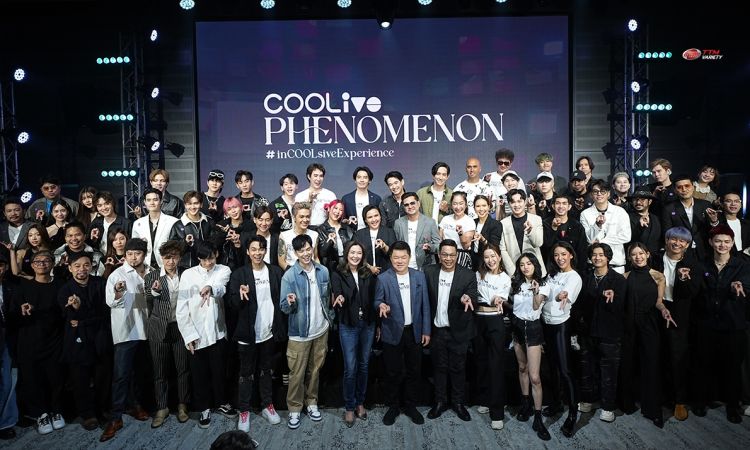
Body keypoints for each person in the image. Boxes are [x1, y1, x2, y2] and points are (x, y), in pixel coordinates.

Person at [227, 236, 285, 430]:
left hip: (269, 332)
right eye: (253, 249)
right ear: (247, 252)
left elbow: (279, 300)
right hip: (247, 334)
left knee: (266, 371)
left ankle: (267, 405)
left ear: (265, 250)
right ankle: (244, 411)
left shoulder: (275, 272)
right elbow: (233, 304)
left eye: (261, 249)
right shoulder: (239, 274)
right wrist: (240, 295)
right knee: (246, 374)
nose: (257, 253)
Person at [177, 241, 236, 429]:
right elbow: (181, 308)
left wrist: (210, 287)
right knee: (199, 374)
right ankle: (204, 408)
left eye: (211, 258)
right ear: (198, 258)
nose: (208, 263)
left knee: (220, 371)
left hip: (217, 332)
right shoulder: (187, 275)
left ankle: (222, 402)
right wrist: (188, 335)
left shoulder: (224, 269)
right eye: (204, 260)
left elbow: (221, 287)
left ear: (216, 254)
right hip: (196, 333)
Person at [692, 225, 748, 423]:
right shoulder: (702, 265)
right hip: (706, 324)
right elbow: (695, 292)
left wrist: (738, 286)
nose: (722, 245)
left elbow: (746, 286)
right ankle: (701, 401)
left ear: (732, 243)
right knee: (703, 365)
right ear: (710, 242)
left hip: (733, 326)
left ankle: (733, 406)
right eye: (718, 241)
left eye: (726, 241)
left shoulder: (742, 265)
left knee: (733, 368)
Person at [373, 241, 431, 426]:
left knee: (414, 371)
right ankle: (393, 407)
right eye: (396, 257)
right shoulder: (383, 278)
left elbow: (425, 306)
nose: (399, 261)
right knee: (392, 372)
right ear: (390, 258)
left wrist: (426, 330)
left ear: (409, 257)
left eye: (403, 257)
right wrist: (381, 305)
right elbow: (377, 301)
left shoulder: (419, 276)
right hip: (391, 331)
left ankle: (411, 406)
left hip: (414, 331)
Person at [279, 234, 333, 430]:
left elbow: (327, 299)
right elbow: (283, 307)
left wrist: (330, 318)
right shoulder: (289, 276)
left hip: (321, 330)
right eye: (301, 250)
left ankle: (311, 403)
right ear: (295, 253)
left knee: (315, 371)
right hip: (299, 334)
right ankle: (294, 408)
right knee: (297, 374)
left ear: (312, 248)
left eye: (308, 249)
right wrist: (290, 302)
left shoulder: (323, 271)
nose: (305, 253)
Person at [100, 238, 151, 442]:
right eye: (129, 254)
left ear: (144, 254)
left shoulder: (152, 271)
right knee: (121, 376)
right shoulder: (117, 275)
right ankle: (115, 417)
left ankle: (135, 405)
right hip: (126, 332)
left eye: (137, 253)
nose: (133, 257)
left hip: (147, 330)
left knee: (140, 373)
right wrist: (119, 293)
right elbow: (110, 302)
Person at [8, 250, 65, 435]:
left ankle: (56, 410)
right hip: (29, 341)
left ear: (53, 263)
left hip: (54, 340)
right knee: (33, 379)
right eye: (37, 261)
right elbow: (12, 315)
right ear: (31, 265)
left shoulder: (60, 285)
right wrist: (21, 310)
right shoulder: (23, 287)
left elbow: (63, 312)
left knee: (56, 377)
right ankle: (41, 414)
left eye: (46, 260)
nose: (42, 264)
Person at [652, 226, 702, 421]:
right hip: (655, 310)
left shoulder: (693, 263)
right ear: (666, 240)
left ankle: (680, 400)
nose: (677, 243)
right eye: (673, 239)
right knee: (657, 355)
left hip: (679, 314)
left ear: (687, 245)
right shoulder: (655, 258)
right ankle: (659, 397)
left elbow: (693, 293)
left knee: (678, 357)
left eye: (682, 241)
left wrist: (684, 279)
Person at [425, 239, 478, 422]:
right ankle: (440, 402)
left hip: (458, 331)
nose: (448, 258)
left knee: (458, 368)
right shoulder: (429, 272)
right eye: (445, 255)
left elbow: (473, 295)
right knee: (439, 368)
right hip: (437, 330)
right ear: (439, 255)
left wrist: (467, 298)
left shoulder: (467, 275)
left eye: (452, 255)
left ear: (457, 256)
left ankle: (458, 403)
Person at [620, 243, 672, 428]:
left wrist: (664, 309)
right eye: (634, 254)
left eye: (641, 253)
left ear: (648, 254)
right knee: (628, 364)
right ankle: (627, 403)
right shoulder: (625, 277)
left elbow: (659, 301)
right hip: (629, 325)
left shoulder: (658, 276)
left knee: (651, 364)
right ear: (629, 258)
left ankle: (652, 410)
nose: (638, 257)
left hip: (649, 324)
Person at [57, 251, 110, 431]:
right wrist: (78, 311)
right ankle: (87, 414)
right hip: (77, 340)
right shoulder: (65, 289)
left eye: (86, 265)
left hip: (100, 336)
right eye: (77, 266)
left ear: (92, 266)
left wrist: (82, 316)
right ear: (70, 268)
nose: (82, 269)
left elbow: (105, 311)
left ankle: (102, 410)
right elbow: (69, 317)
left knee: (102, 376)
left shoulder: (100, 283)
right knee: (80, 379)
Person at [576, 243, 627, 423]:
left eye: (601, 254)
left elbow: (622, 307)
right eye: (594, 255)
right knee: (587, 368)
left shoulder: (618, 280)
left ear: (608, 257)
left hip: (609, 333)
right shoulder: (586, 278)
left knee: (609, 372)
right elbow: (580, 305)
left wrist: (613, 297)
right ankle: (587, 400)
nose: (597, 258)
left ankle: (608, 407)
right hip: (588, 331)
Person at [144, 240, 190, 428]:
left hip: (180, 327)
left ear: (180, 258)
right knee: (159, 372)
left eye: (174, 257)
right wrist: (154, 291)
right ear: (161, 258)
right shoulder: (152, 276)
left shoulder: (186, 274)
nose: (171, 261)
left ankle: (182, 406)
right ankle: (161, 408)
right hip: (159, 328)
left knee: (182, 369)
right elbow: (147, 297)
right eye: (167, 257)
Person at [330, 241, 377, 427]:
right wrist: (339, 297)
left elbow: (373, 299)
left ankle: (360, 402)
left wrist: (378, 325)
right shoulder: (338, 273)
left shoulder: (368, 274)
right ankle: (349, 406)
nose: (355, 256)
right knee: (350, 368)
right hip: (348, 324)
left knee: (364, 365)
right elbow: (337, 292)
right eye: (352, 252)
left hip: (368, 325)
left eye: (359, 253)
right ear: (346, 254)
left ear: (363, 255)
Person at [508, 253, 551, 441]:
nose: (525, 267)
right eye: (522, 264)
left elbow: (535, 307)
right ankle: (525, 405)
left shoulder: (543, 284)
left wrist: (535, 291)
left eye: (529, 263)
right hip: (517, 326)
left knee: (535, 377)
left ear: (535, 265)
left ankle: (538, 417)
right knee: (522, 368)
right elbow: (513, 306)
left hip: (533, 328)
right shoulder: (515, 284)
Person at [542, 242, 582, 437]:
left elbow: (565, 296)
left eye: (564, 254)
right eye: (556, 255)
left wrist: (562, 295)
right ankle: (557, 403)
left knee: (565, 370)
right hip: (546, 323)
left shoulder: (574, 277)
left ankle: (573, 414)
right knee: (552, 368)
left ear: (571, 255)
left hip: (561, 325)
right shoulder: (551, 274)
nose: (560, 258)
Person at [473, 244, 511, 430]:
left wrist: (496, 299)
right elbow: (474, 294)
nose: (490, 260)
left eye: (493, 256)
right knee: (481, 362)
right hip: (478, 321)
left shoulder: (505, 278)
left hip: (495, 321)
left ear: (499, 257)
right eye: (487, 257)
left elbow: (498, 298)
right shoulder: (478, 275)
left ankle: (497, 413)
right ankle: (485, 400)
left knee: (496, 365)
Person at [580, 179, 632, 273]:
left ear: (608, 194)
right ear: (591, 195)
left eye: (602, 191)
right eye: (595, 191)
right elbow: (588, 239)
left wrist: (602, 241)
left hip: (616, 264)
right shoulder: (585, 214)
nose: (599, 194)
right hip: (594, 265)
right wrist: (597, 225)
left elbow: (626, 236)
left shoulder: (620, 212)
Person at [661, 174, 712, 262]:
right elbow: (667, 232)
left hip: (704, 250)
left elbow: (711, 229)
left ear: (693, 187)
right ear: (675, 190)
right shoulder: (669, 208)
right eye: (679, 187)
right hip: (680, 251)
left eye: (687, 186)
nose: (684, 189)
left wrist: (714, 221)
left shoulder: (705, 205)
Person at [499, 189, 545, 276]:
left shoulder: (536, 219)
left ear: (525, 202)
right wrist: (513, 272)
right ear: (509, 204)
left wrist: (530, 232)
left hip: (535, 270)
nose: (516, 205)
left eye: (519, 201)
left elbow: (538, 243)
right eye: (513, 202)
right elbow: (502, 249)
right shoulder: (503, 223)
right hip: (514, 270)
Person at [131, 188, 179, 270]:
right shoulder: (138, 223)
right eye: (148, 200)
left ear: (161, 201)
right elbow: (135, 247)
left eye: (155, 200)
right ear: (145, 202)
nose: (152, 203)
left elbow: (177, 247)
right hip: (145, 266)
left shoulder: (173, 222)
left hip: (168, 266)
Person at [0, 249, 20, 440]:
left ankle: (5, 423)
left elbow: (14, 312)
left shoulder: (10, 287)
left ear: (5, 267)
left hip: (7, 339)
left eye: (0, 265)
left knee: (8, 381)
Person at [394, 192, 441, 271]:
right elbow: (395, 245)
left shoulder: (430, 222)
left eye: (412, 203)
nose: (410, 206)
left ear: (418, 203)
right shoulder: (398, 223)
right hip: (404, 267)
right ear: (403, 207)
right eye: (406, 205)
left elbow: (438, 245)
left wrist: (430, 247)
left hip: (425, 266)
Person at [170, 191, 215, 270]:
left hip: (208, 265)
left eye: (196, 203)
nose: (193, 207)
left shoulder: (209, 222)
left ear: (201, 204)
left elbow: (214, 244)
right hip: (186, 267)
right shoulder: (178, 225)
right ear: (185, 205)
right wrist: (185, 242)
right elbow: (172, 249)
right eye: (189, 204)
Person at [542, 195, 588, 273]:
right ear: (553, 206)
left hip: (573, 269)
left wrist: (579, 272)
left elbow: (582, 251)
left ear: (569, 207)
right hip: (551, 269)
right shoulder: (545, 224)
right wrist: (553, 229)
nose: (561, 206)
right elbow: (545, 247)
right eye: (558, 203)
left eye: (564, 203)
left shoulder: (577, 226)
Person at [213, 197, 254, 271]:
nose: (233, 211)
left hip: (245, 264)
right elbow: (215, 246)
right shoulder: (222, 225)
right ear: (226, 213)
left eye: (235, 207)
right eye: (229, 209)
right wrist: (223, 234)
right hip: (224, 265)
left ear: (241, 208)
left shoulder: (250, 225)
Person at [438, 191, 476, 269]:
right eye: (455, 204)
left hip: (461, 254)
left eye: (461, 203)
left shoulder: (469, 221)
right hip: (445, 254)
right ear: (451, 205)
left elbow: (466, 246)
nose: (458, 207)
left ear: (466, 205)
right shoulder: (445, 219)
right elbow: (439, 239)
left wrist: (460, 234)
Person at [355, 205, 396, 275]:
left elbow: (394, 254)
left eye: (376, 215)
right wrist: (369, 267)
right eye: (370, 217)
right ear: (365, 220)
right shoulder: (359, 234)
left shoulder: (389, 232)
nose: (374, 220)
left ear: (380, 216)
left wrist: (384, 246)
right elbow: (355, 255)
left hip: (386, 273)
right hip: (365, 273)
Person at [707, 190, 750, 258]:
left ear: (741, 205)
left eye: (736, 201)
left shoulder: (747, 224)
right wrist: (714, 221)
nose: (733, 204)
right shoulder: (717, 222)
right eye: (729, 201)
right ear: (722, 204)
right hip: (723, 259)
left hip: (745, 260)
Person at [278, 202, 319, 270]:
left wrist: (318, 271)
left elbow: (315, 257)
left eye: (308, 216)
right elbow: (281, 261)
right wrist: (294, 274)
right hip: (292, 272)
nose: (305, 220)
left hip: (311, 272)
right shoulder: (284, 236)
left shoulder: (315, 235)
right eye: (301, 217)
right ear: (294, 217)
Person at [317, 199, 355, 272]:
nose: (337, 212)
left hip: (347, 265)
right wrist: (330, 241)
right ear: (328, 209)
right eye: (335, 208)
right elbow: (322, 253)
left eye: (341, 210)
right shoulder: (321, 229)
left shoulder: (347, 229)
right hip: (330, 268)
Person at [627, 187, 662, 258]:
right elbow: (628, 239)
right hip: (635, 258)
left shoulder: (656, 218)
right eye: (635, 199)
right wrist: (639, 227)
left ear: (650, 201)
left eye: (642, 199)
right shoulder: (626, 217)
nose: (638, 202)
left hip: (655, 259)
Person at [471, 194, 502, 269]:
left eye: (484, 206)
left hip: (488, 263)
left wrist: (483, 239)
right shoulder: (472, 222)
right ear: (474, 208)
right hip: (472, 262)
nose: (481, 209)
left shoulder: (496, 224)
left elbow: (495, 247)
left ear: (489, 206)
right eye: (478, 206)